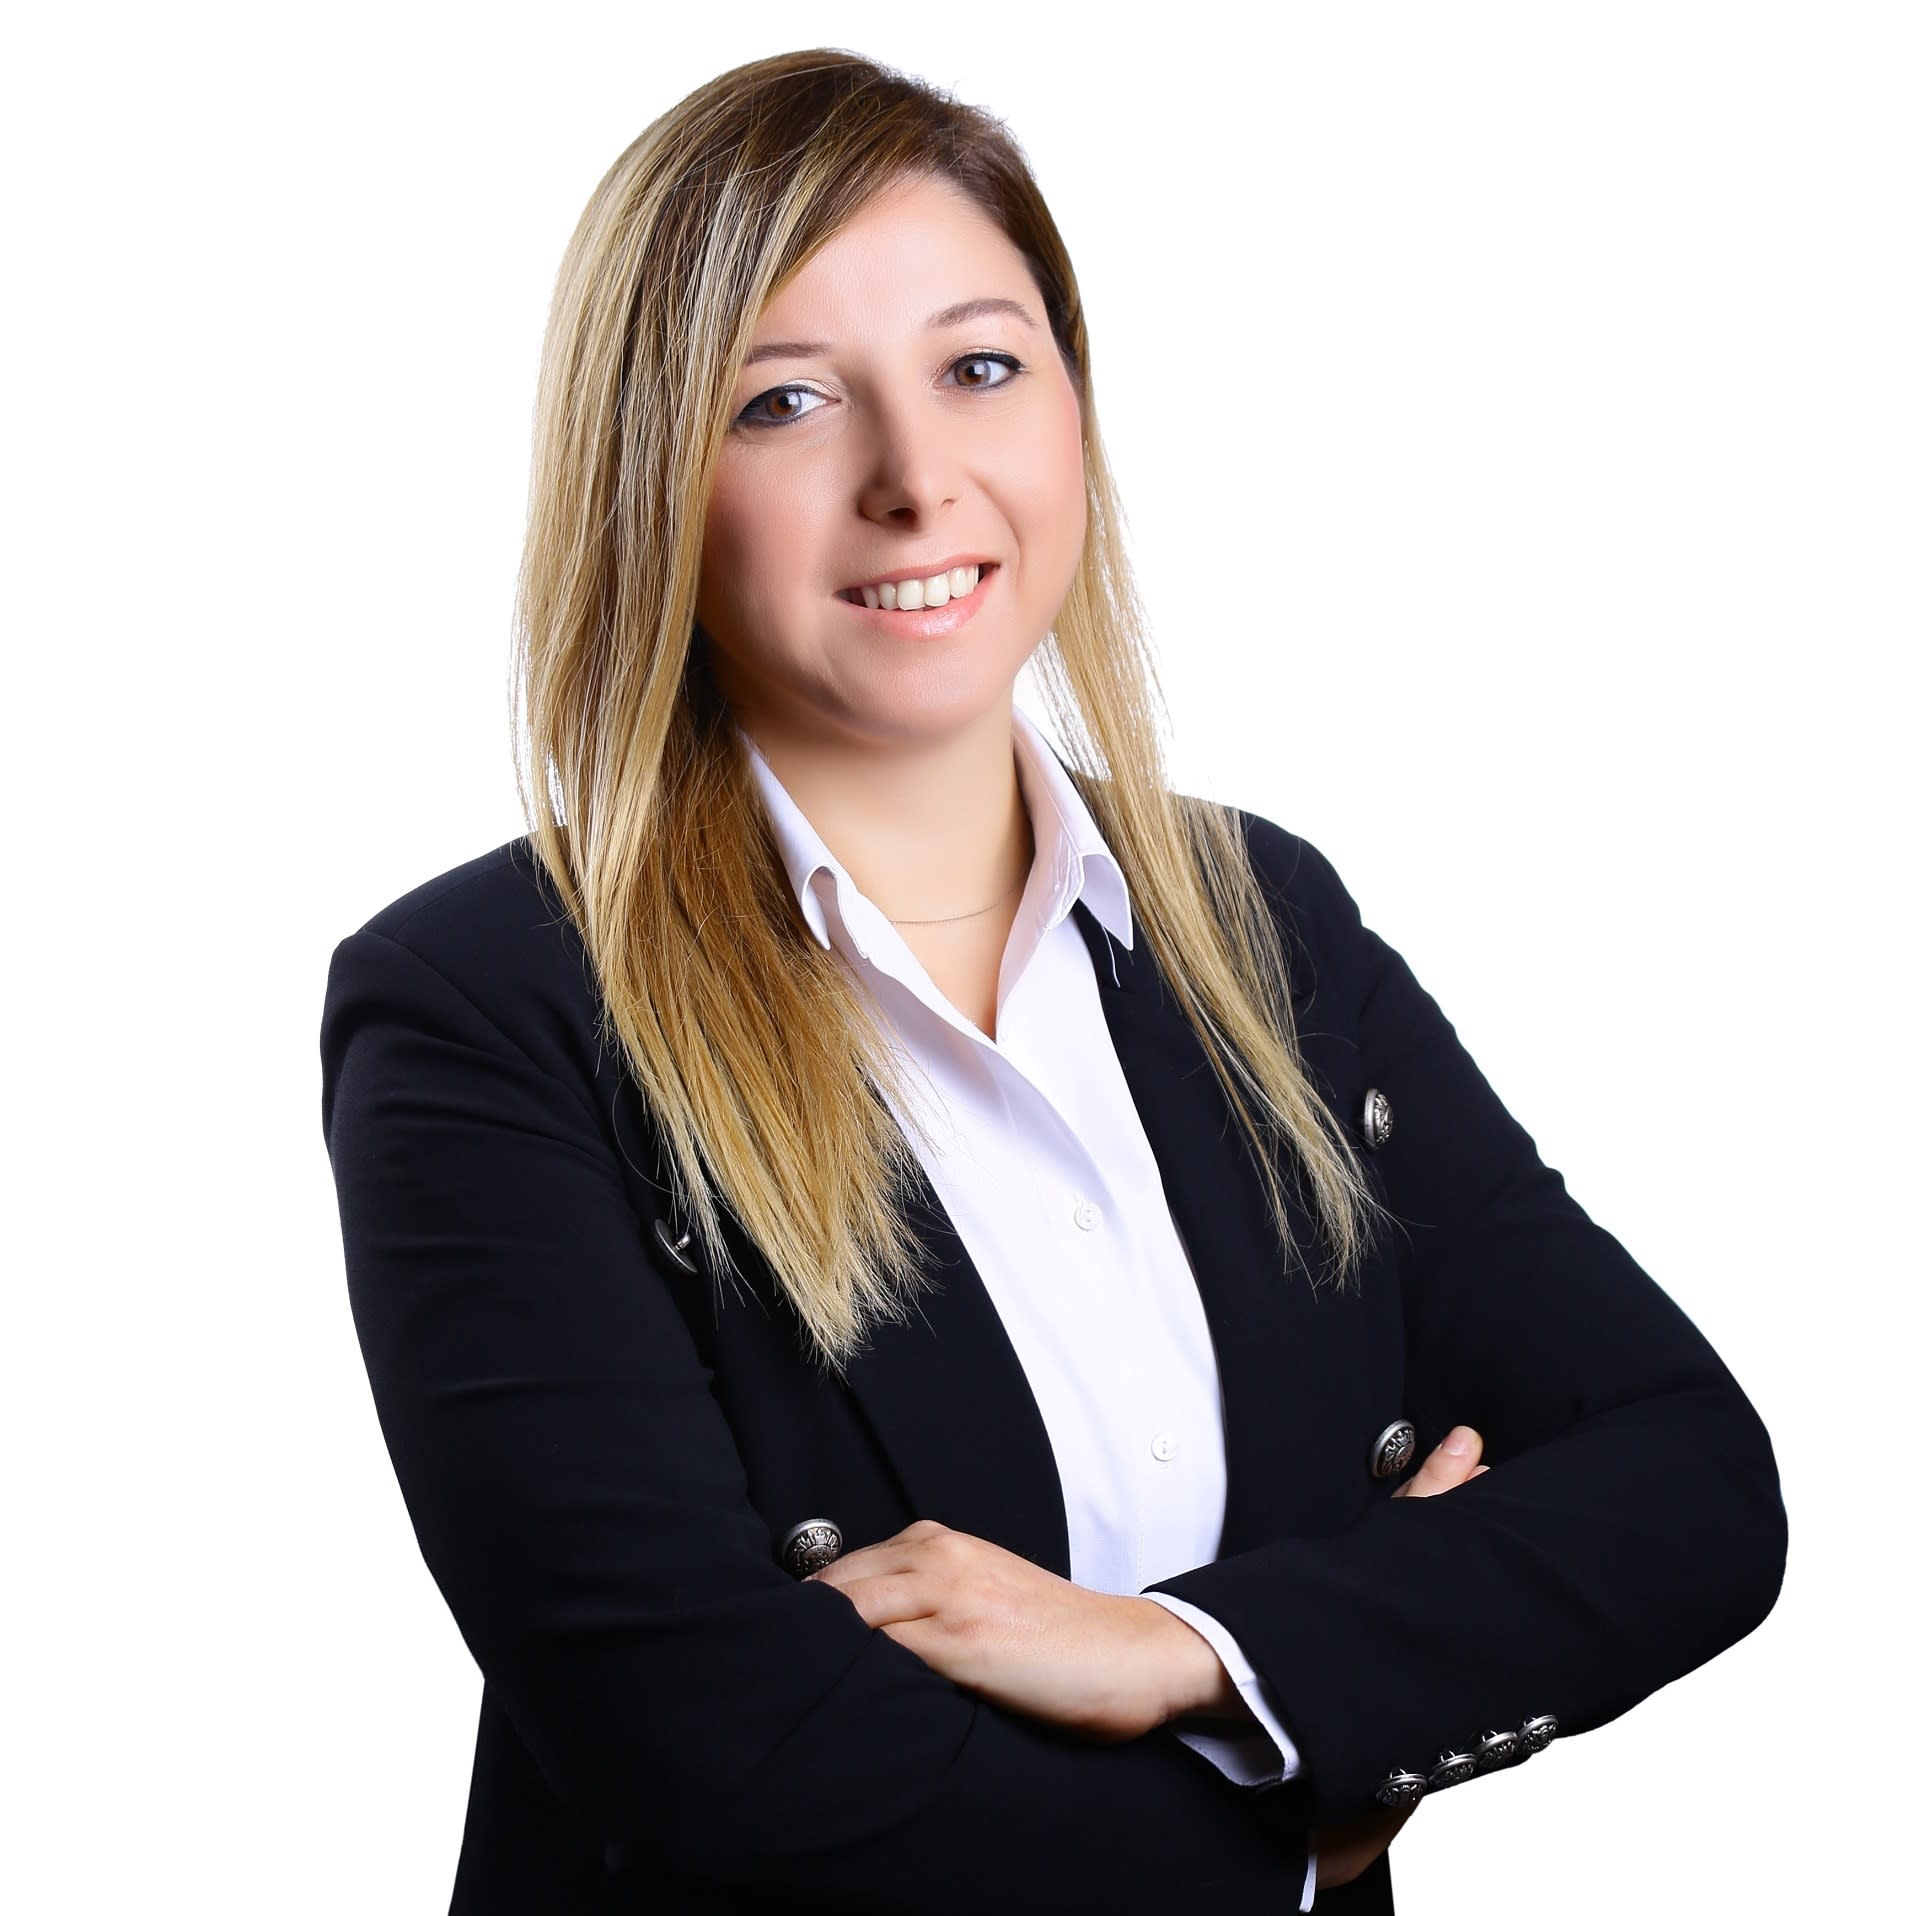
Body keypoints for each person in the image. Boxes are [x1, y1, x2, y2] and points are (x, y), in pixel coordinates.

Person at [318, 48, 1787, 1915]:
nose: (915, 481)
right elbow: (718, 1756)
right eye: (782, 402)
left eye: (980, 367)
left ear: (1073, 410)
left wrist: (1189, 1656)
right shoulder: (485, 1011)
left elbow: (1690, 1484)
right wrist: (1298, 1816)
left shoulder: (1261, 925)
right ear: (652, 479)